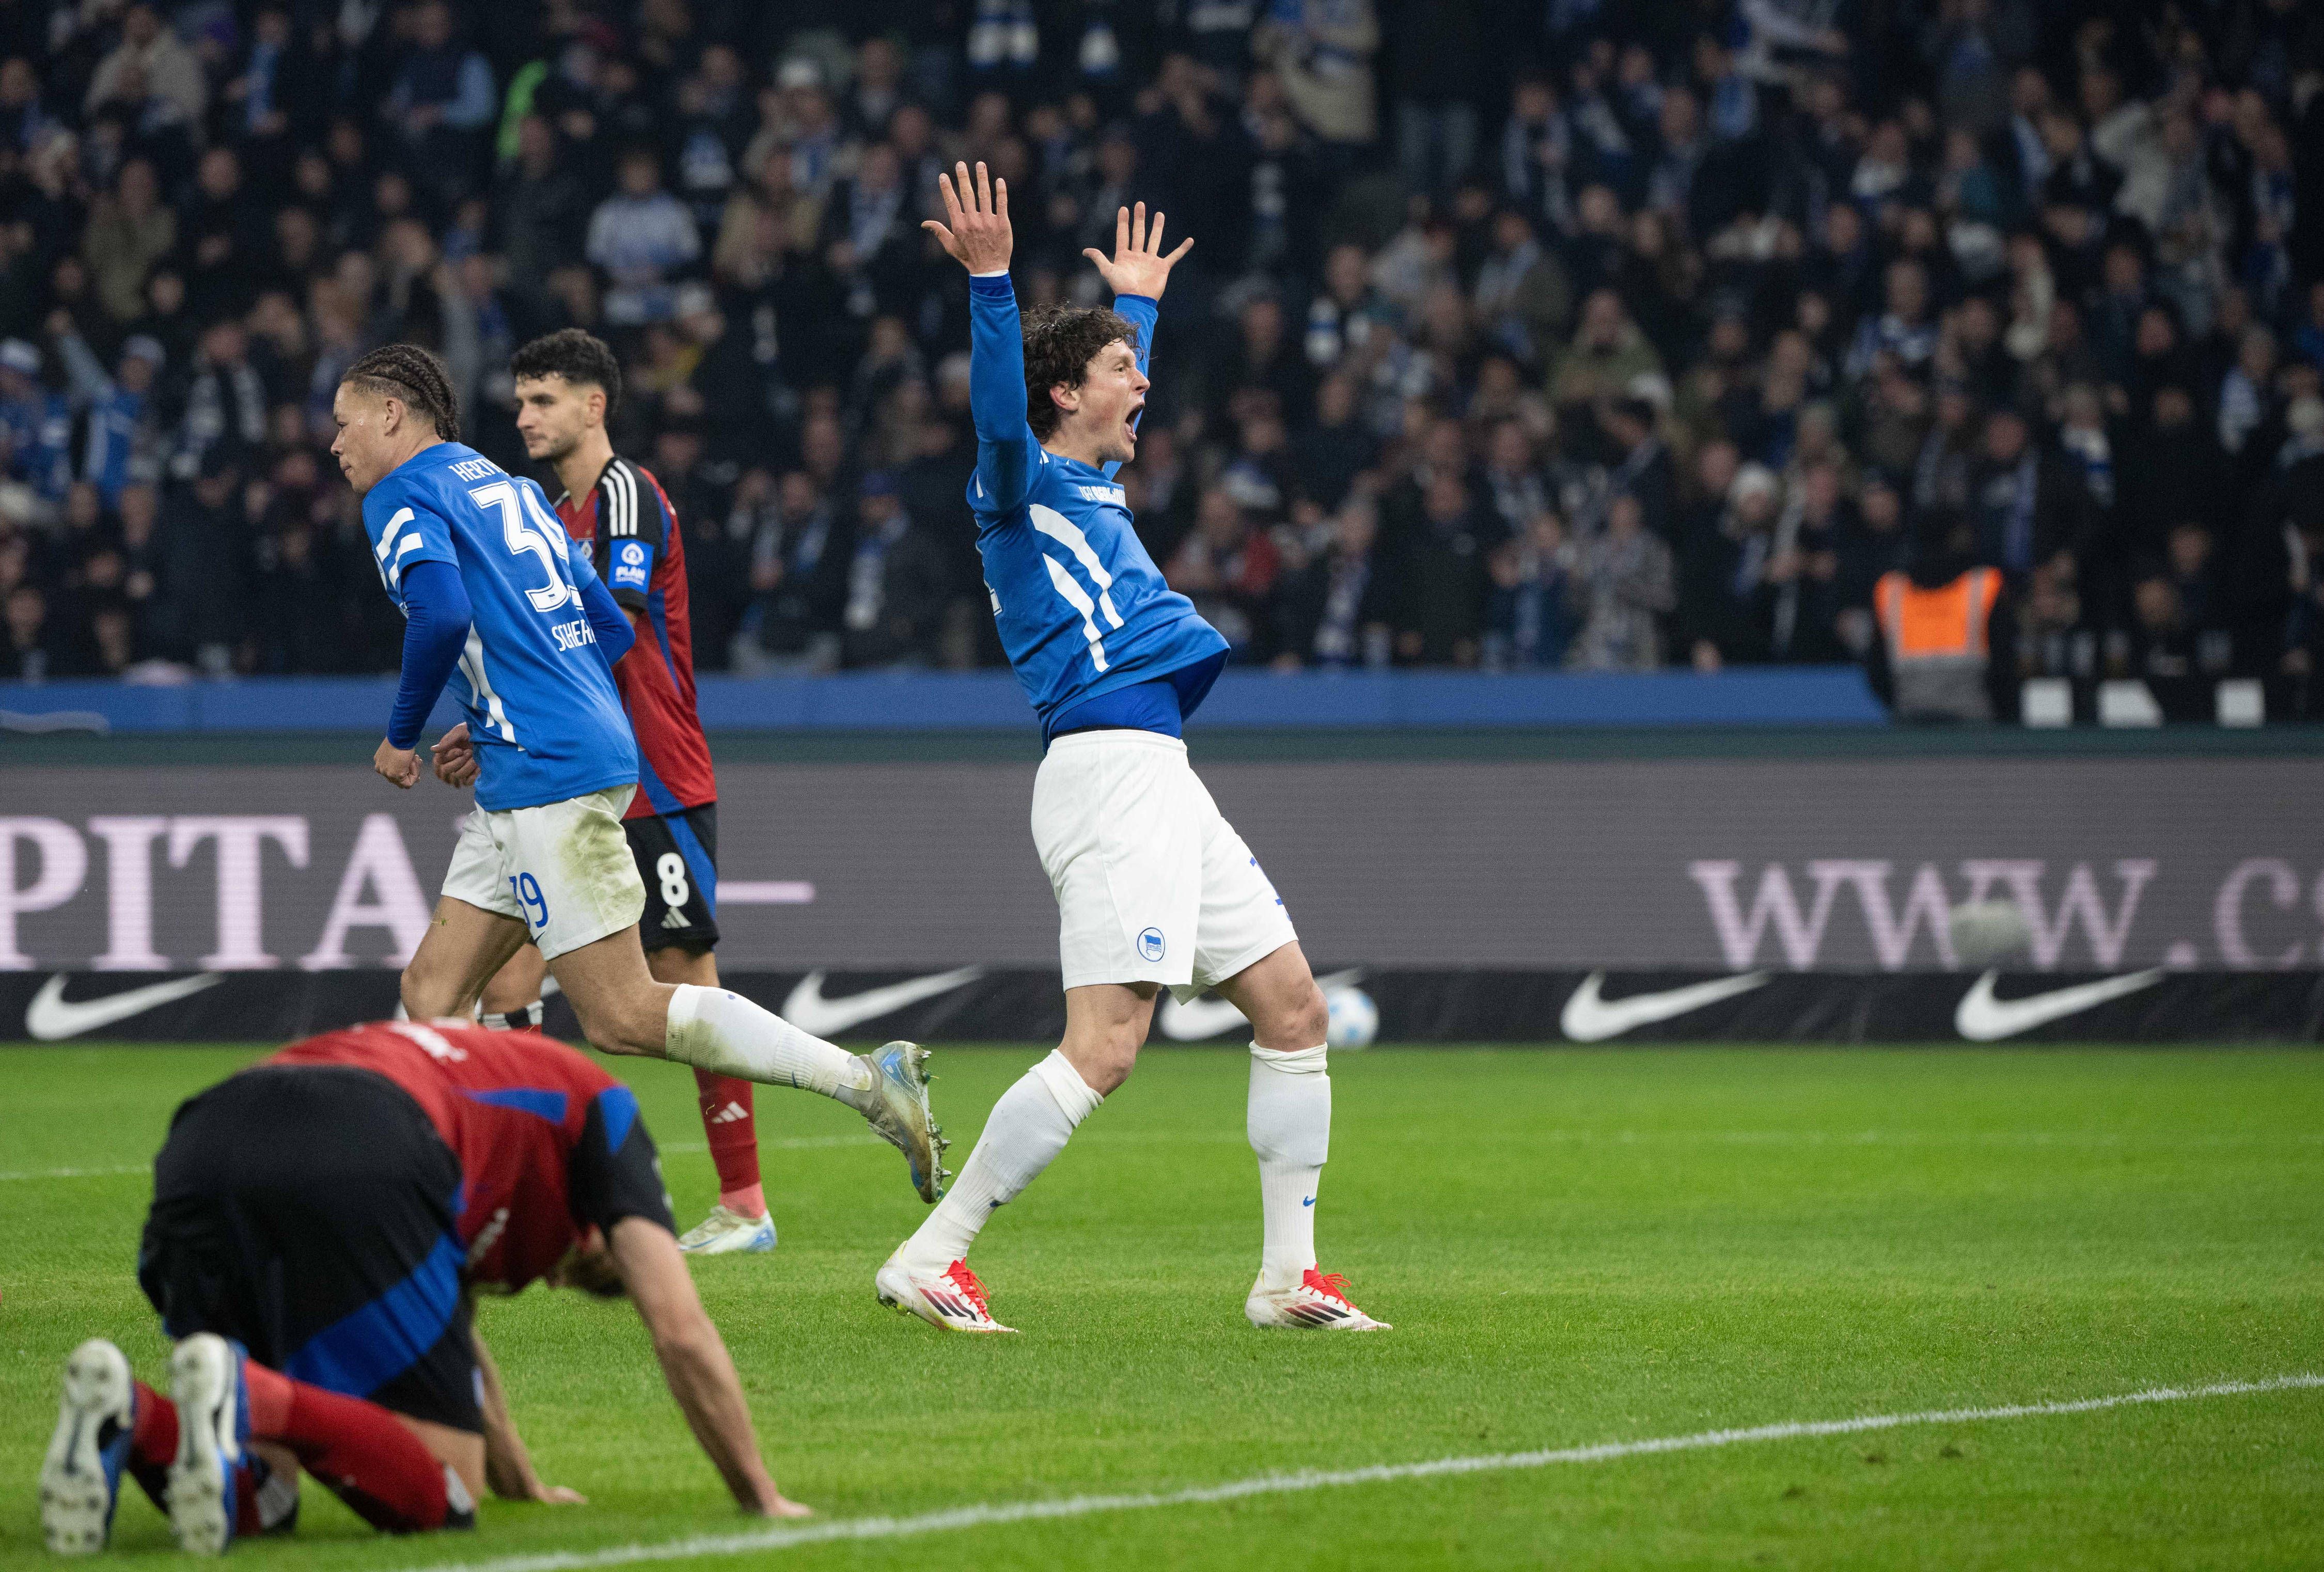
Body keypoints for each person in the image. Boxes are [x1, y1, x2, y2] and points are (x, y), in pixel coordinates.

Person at [872, 163, 1388, 1335]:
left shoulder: (1095, 479)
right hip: (1107, 774)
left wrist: (1134, 310)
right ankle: (934, 1253)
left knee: (1294, 1008)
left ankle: (1287, 1280)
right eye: (1120, 370)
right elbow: (1008, 413)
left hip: (1161, 775)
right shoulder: (1018, 485)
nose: (1142, 384)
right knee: (1106, 1045)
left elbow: (1093, 390)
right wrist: (994, 284)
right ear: (1065, 393)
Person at [324, 344, 948, 1207]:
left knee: (620, 1013)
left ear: (392, 415)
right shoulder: (510, 489)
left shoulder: (403, 492)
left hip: (548, 771)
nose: (335, 444)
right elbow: (608, 635)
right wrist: (493, 713)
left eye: (343, 421)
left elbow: (441, 615)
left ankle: (866, 1082)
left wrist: (404, 735)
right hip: (541, 761)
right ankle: (454, 1197)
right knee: (434, 988)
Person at [37, 1020, 809, 1557]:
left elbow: (454, 1334)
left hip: (205, 1138)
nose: (549, 1274)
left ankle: (132, 1415)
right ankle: (250, 1394)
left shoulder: (487, 1111)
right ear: (600, 1230)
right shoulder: (604, 1112)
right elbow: (678, 1326)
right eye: (580, 1265)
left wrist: (525, 1483)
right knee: (444, 1499)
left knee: (260, 1500)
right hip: (364, 1140)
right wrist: (759, 1496)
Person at [446, 328, 770, 1256]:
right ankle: (536, 1187)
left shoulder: (626, 494)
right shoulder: (543, 514)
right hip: (566, 777)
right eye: (519, 401)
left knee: (682, 979)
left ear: (595, 405)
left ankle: (745, 1203)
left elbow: (606, 625)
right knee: (508, 975)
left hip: (656, 780)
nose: (523, 418)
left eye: (542, 400)